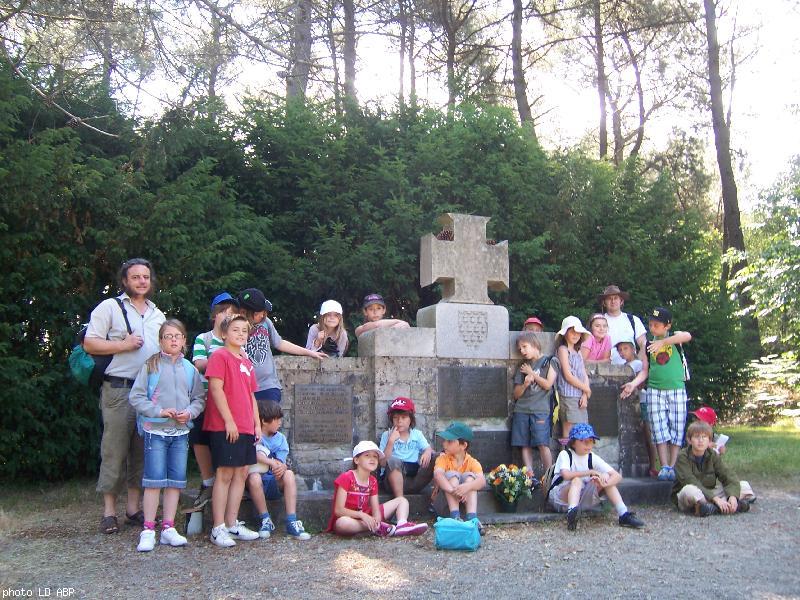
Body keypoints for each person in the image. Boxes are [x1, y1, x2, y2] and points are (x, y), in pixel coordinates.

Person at [84, 258, 166, 535]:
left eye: (146, 276)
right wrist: (124, 344)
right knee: (115, 449)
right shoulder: (110, 307)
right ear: (124, 281)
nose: (142, 281)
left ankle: (133, 509)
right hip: (119, 389)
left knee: (141, 452)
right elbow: (90, 342)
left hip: (149, 392)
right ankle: (109, 512)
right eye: (136, 277)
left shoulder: (158, 314)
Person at [128, 319, 205, 552]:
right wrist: (158, 412)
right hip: (156, 431)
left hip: (181, 432)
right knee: (154, 480)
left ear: (184, 341)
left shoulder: (190, 369)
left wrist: (189, 413)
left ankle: (169, 527)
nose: (173, 340)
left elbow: (199, 399)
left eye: (177, 336)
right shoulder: (150, 366)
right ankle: (149, 529)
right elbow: (137, 397)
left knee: (176, 480)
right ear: (160, 340)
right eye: (168, 336)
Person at [203, 314, 262, 548]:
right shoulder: (219, 356)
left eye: (244, 331)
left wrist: (257, 423)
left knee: (241, 473)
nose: (240, 334)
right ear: (225, 333)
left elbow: (251, 395)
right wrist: (228, 420)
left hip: (246, 426)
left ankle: (231, 522)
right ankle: (217, 527)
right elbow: (216, 390)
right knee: (225, 474)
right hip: (225, 426)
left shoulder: (246, 362)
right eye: (235, 330)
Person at [621, 307, 692, 481]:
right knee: (659, 429)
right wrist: (633, 384)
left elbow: (687, 336)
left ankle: (673, 466)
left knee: (677, 427)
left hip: (676, 389)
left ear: (667, 325)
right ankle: (665, 466)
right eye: (651, 325)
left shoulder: (675, 337)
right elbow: (645, 370)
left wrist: (664, 342)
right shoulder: (647, 345)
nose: (653, 328)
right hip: (655, 390)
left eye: (657, 325)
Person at [190, 292, 239, 508]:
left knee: (223, 441)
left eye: (232, 312)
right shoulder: (204, 338)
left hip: (229, 400)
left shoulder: (236, 339)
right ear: (214, 316)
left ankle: (223, 481)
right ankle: (208, 481)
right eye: (223, 312)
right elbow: (198, 363)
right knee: (200, 438)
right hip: (205, 397)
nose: (228, 315)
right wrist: (222, 360)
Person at [547, 423, 645, 531]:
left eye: (591, 441)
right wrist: (591, 471)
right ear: (573, 443)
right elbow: (566, 475)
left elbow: (617, 476)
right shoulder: (565, 454)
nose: (588, 444)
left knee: (607, 478)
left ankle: (623, 514)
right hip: (561, 497)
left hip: (582, 497)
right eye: (584, 441)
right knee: (576, 481)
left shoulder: (592, 457)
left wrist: (603, 483)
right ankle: (572, 513)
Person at [237, 288, 327, 403]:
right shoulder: (235, 326)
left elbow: (279, 343)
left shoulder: (266, 322)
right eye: (258, 313)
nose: (263, 315)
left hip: (267, 385)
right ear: (245, 312)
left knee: (270, 419)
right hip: (243, 386)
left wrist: (309, 352)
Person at [326, 441, 428, 537]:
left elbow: (375, 511)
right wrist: (362, 516)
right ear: (356, 460)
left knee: (402, 500)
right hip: (349, 517)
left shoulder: (372, 481)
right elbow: (338, 510)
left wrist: (376, 519)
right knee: (341, 524)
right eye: (367, 456)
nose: (372, 459)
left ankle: (401, 525)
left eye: (375, 456)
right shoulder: (346, 477)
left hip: (367, 515)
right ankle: (376, 528)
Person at [246, 400, 311, 540]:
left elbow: (281, 462)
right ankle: (265, 519)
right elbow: (252, 454)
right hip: (257, 483)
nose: (280, 422)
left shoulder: (281, 439)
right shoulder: (254, 436)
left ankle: (291, 520)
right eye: (277, 419)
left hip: (274, 480)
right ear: (264, 421)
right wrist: (270, 461)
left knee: (288, 474)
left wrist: (282, 466)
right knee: (254, 477)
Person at [672, 420, 755, 516]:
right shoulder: (682, 456)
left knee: (744, 485)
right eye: (696, 437)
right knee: (690, 490)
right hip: (691, 495)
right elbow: (690, 481)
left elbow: (728, 475)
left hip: (710, 492)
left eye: (704, 437)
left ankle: (713, 508)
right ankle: (724, 505)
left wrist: (732, 496)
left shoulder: (712, 455)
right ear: (689, 440)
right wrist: (715, 499)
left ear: (709, 441)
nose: (701, 440)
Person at [513, 332, 557, 477]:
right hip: (522, 409)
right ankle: (529, 476)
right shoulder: (522, 366)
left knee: (542, 443)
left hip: (540, 410)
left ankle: (549, 476)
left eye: (525, 347)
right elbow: (516, 394)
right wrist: (525, 384)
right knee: (524, 444)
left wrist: (532, 373)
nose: (523, 351)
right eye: (520, 349)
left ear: (535, 345)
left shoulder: (550, 361)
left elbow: (548, 385)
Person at [432, 422, 487, 534]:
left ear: (463, 445)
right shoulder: (442, 459)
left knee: (470, 478)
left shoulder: (472, 462)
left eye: (450, 441)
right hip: (445, 504)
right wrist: (454, 491)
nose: (445, 444)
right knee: (452, 475)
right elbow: (438, 475)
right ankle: (455, 516)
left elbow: (482, 481)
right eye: (445, 440)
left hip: (465, 503)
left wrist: (467, 487)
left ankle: (472, 518)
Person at [378, 397, 434, 498]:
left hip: (413, 478)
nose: (399, 421)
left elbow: (428, 448)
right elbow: (382, 463)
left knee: (437, 456)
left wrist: (427, 452)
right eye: (396, 417)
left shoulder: (417, 434)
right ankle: (400, 500)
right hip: (392, 481)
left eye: (404, 417)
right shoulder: (387, 435)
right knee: (393, 460)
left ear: (411, 419)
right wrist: (391, 441)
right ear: (391, 419)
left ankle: (438, 495)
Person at [617, 339, 657, 476]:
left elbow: (642, 384)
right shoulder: (624, 365)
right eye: (620, 350)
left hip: (642, 401)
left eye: (625, 348)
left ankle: (653, 465)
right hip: (632, 404)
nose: (622, 352)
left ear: (633, 349)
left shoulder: (639, 364)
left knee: (648, 434)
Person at [555, 316, 591, 442]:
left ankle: (578, 458)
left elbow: (583, 374)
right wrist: (586, 389)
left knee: (582, 429)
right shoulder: (563, 350)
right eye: (572, 331)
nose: (576, 335)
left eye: (578, 332)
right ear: (565, 334)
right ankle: (566, 458)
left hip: (580, 395)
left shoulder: (578, 351)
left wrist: (585, 394)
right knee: (568, 430)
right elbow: (568, 375)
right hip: (568, 394)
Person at [599, 285, 647, 366]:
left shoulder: (633, 320)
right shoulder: (598, 322)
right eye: (609, 298)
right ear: (604, 302)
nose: (613, 301)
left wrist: (636, 364)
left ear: (621, 301)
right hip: (604, 371)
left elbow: (644, 344)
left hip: (631, 373)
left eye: (616, 298)